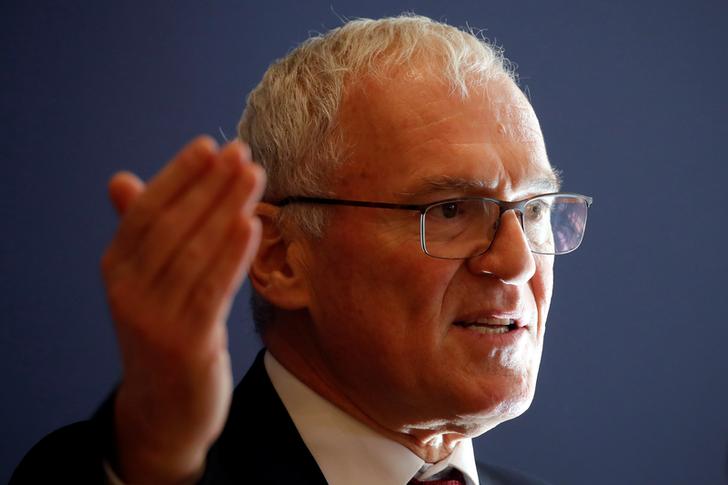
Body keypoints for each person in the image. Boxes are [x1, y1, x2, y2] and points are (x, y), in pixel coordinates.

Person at [11, 15, 592, 485]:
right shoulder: (140, 468)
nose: (516, 261)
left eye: (535, 210)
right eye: (450, 211)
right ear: (280, 257)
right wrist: (158, 456)